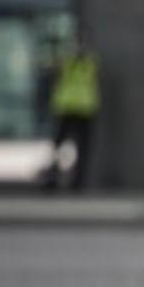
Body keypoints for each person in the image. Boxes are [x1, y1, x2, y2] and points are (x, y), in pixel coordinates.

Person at [43, 38, 99, 191]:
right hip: (74, 108)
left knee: (69, 147)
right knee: (62, 146)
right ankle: (56, 178)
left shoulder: (80, 64)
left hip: (76, 109)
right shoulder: (80, 64)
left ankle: (71, 181)